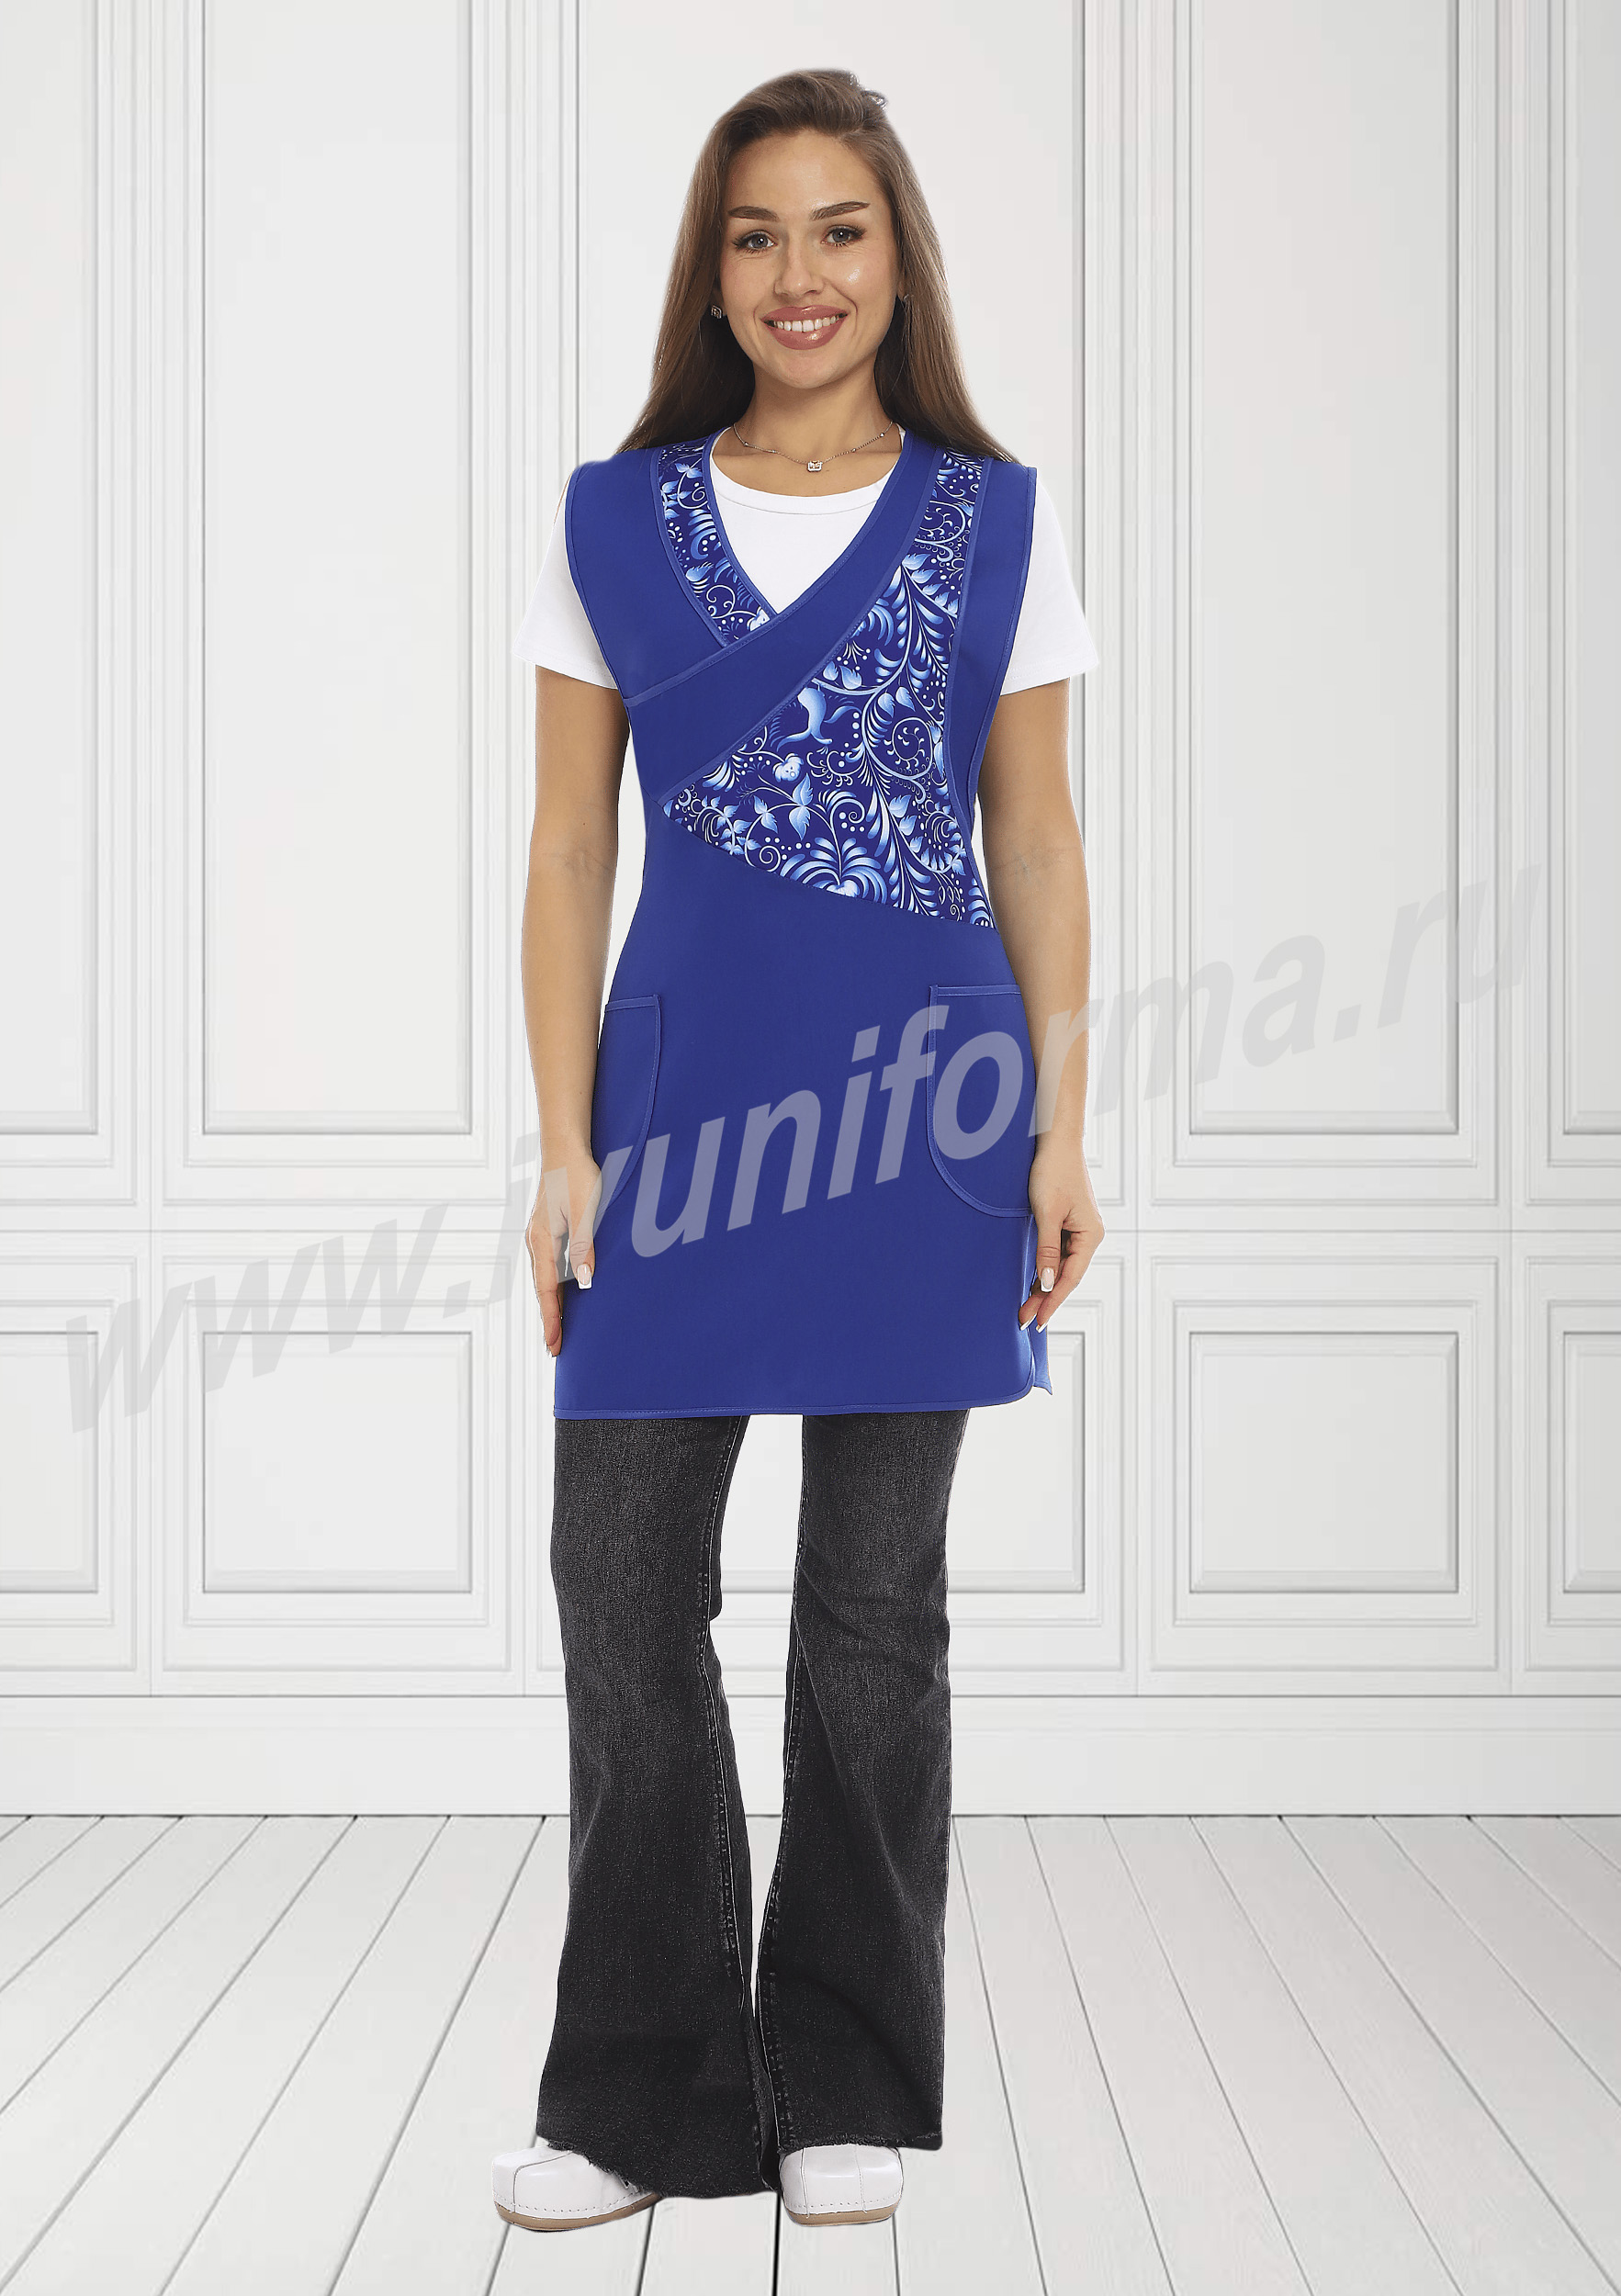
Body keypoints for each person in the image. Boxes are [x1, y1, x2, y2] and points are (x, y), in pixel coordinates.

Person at [491, 65, 1103, 2235]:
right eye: (755, 234)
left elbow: (1035, 837)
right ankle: (641, 2091)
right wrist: (561, 1140)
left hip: (930, 1118)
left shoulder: (995, 519)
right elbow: (569, 849)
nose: (798, 274)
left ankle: (842, 2072)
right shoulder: (611, 516)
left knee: (870, 1612)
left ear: (897, 260)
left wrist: (1063, 1120)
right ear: (711, 273)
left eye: (839, 229)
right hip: (672, 1124)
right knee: (621, 1588)